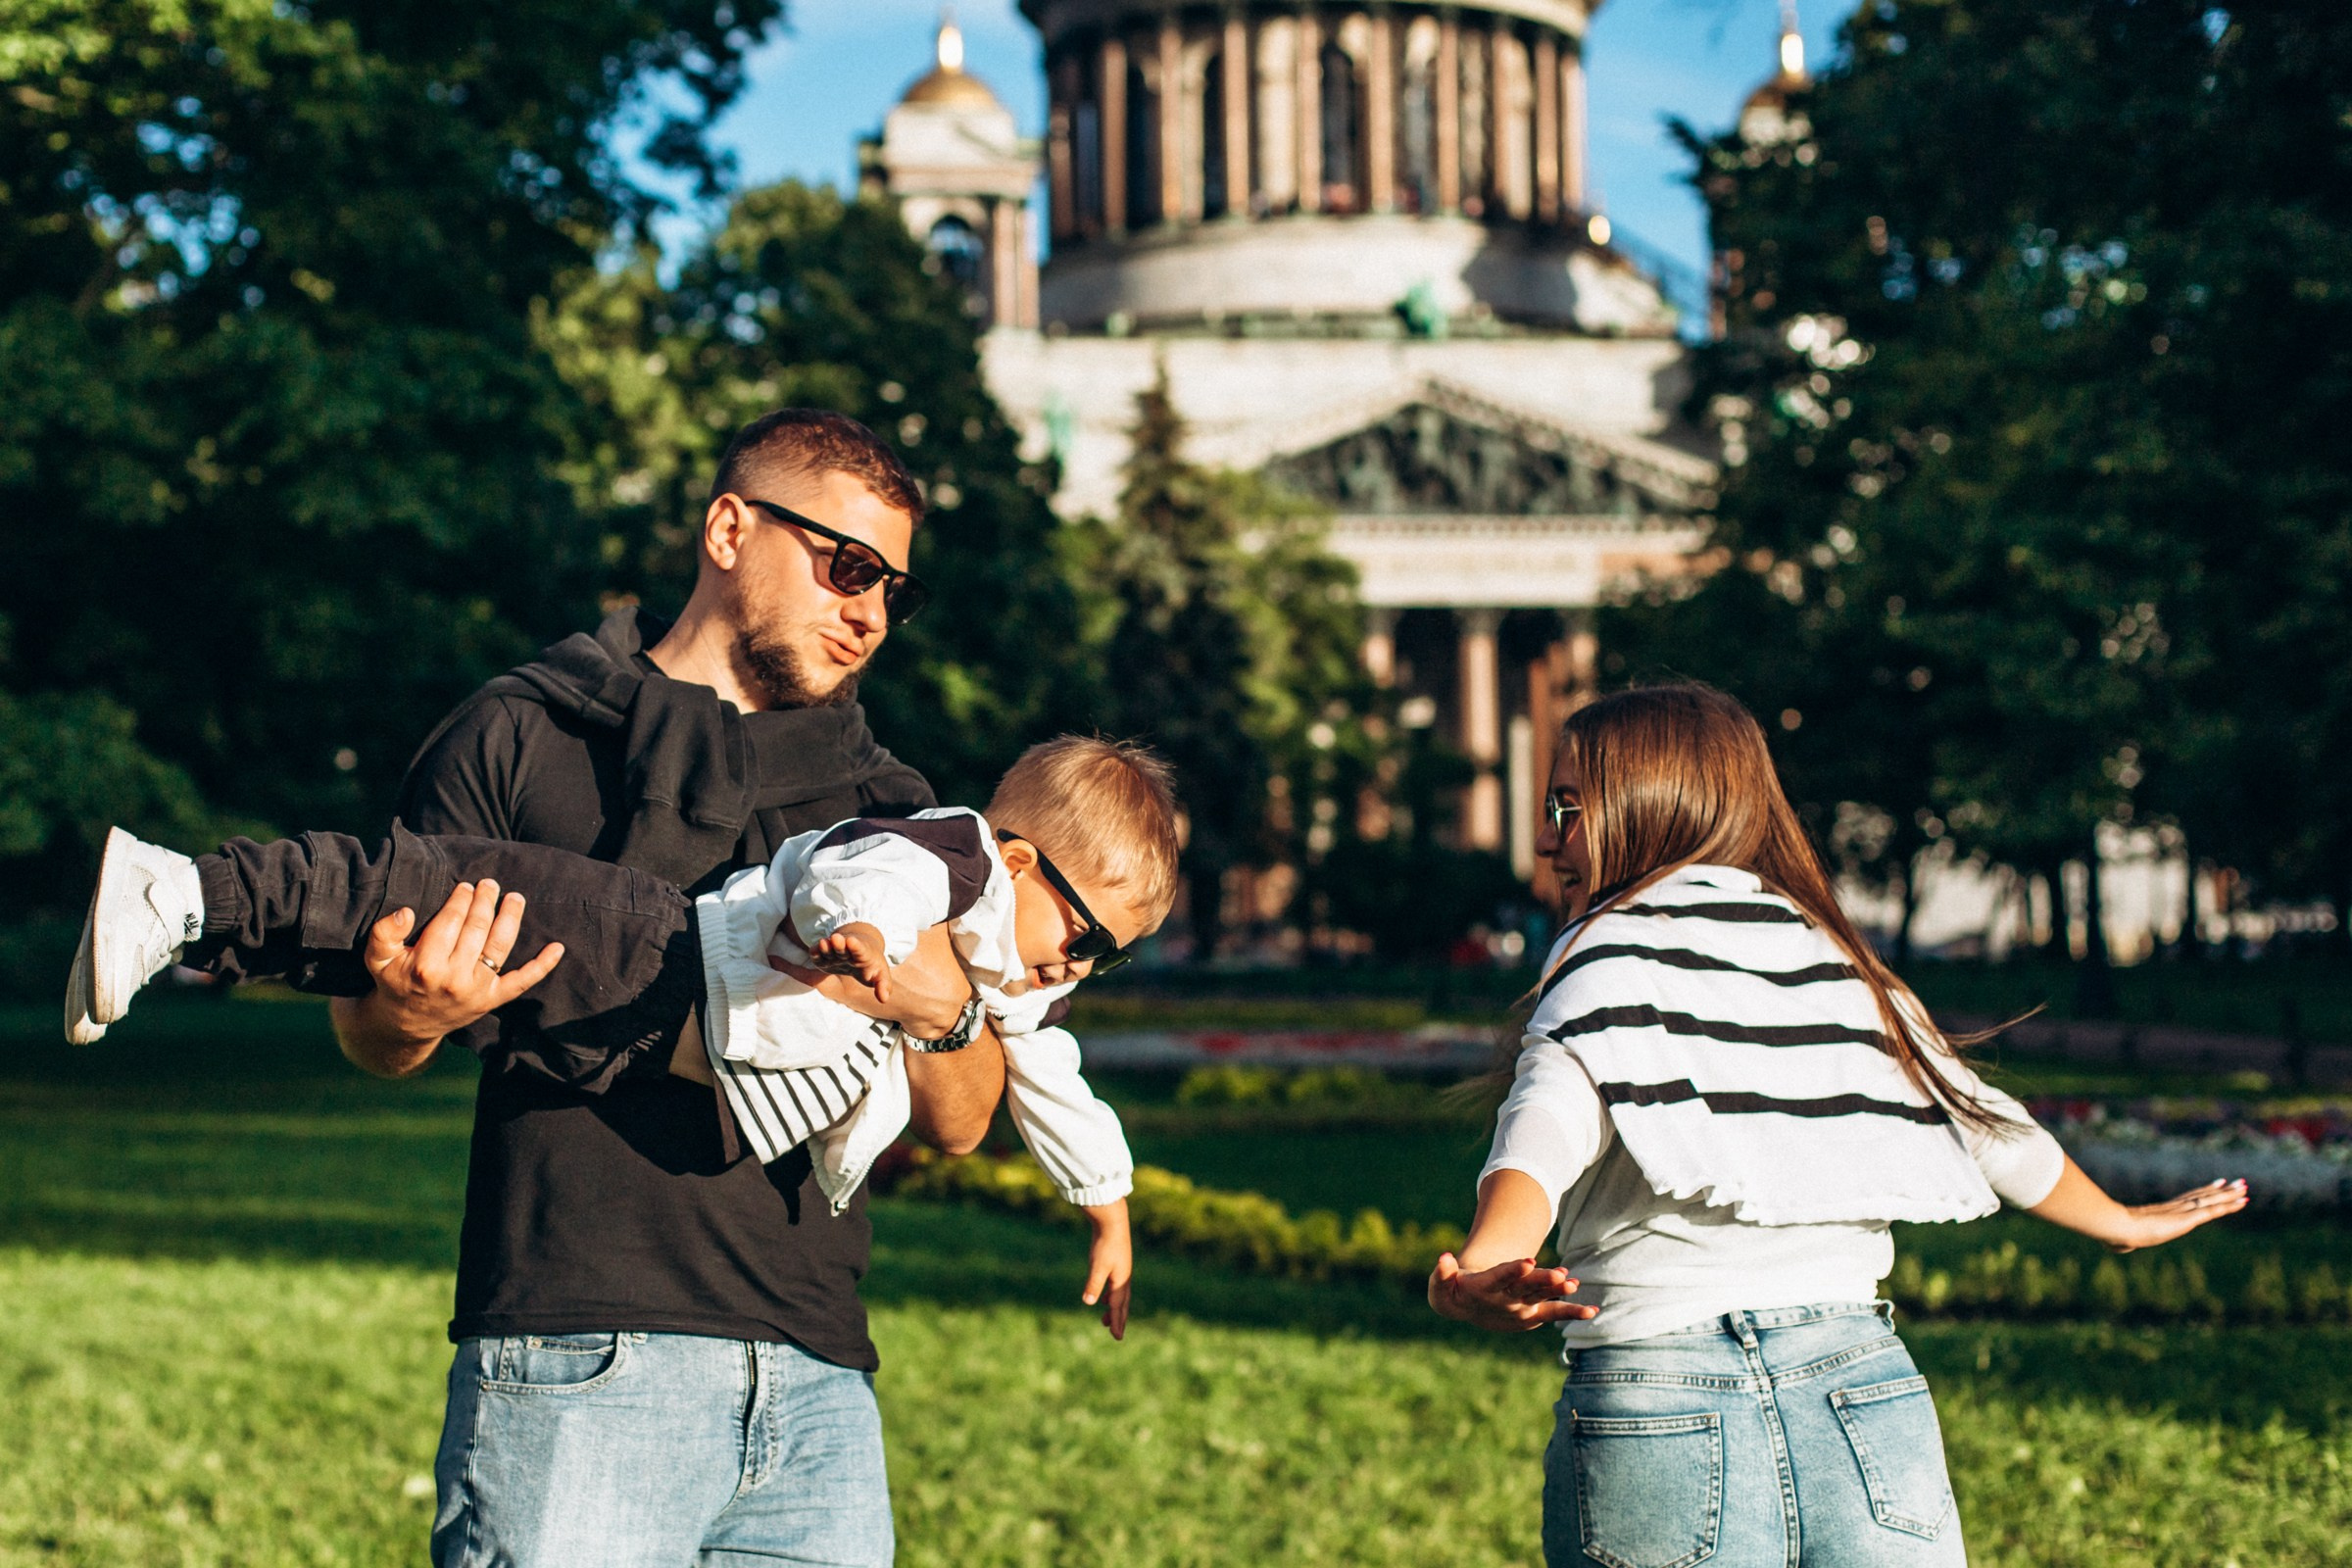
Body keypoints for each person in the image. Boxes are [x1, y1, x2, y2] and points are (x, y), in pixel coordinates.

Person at [206, 409, 998, 1566]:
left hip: (820, 1381)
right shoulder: (523, 735)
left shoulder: (884, 809)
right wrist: (409, 1012)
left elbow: (966, 1117)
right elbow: (366, 1030)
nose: (871, 610)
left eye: (895, 590)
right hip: (577, 1357)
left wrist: (949, 1007)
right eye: (848, 565)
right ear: (730, 528)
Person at [1427, 683, 2247, 1568]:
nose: (1547, 838)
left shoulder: (1603, 954)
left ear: (1650, 803)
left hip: (1660, 1405)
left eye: (1567, 808)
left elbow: (1545, 1125)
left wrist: (1479, 1265)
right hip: (1865, 1393)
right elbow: (1979, 1119)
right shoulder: (1834, 957)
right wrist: (2121, 1223)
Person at [68, 737, 1181, 1337]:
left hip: (653, 1043)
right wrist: (864, 938)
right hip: (664, 956)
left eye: (1109, 959)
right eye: (1085, 934)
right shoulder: (957, 860)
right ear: (1025, 866)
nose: (1078, 968)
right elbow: (860, 874)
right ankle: (187, 894)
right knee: (421, 890)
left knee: (405, 939)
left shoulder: (1012, 982)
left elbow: (1052, 1085)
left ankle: (199, 929)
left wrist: (1107, 1202)